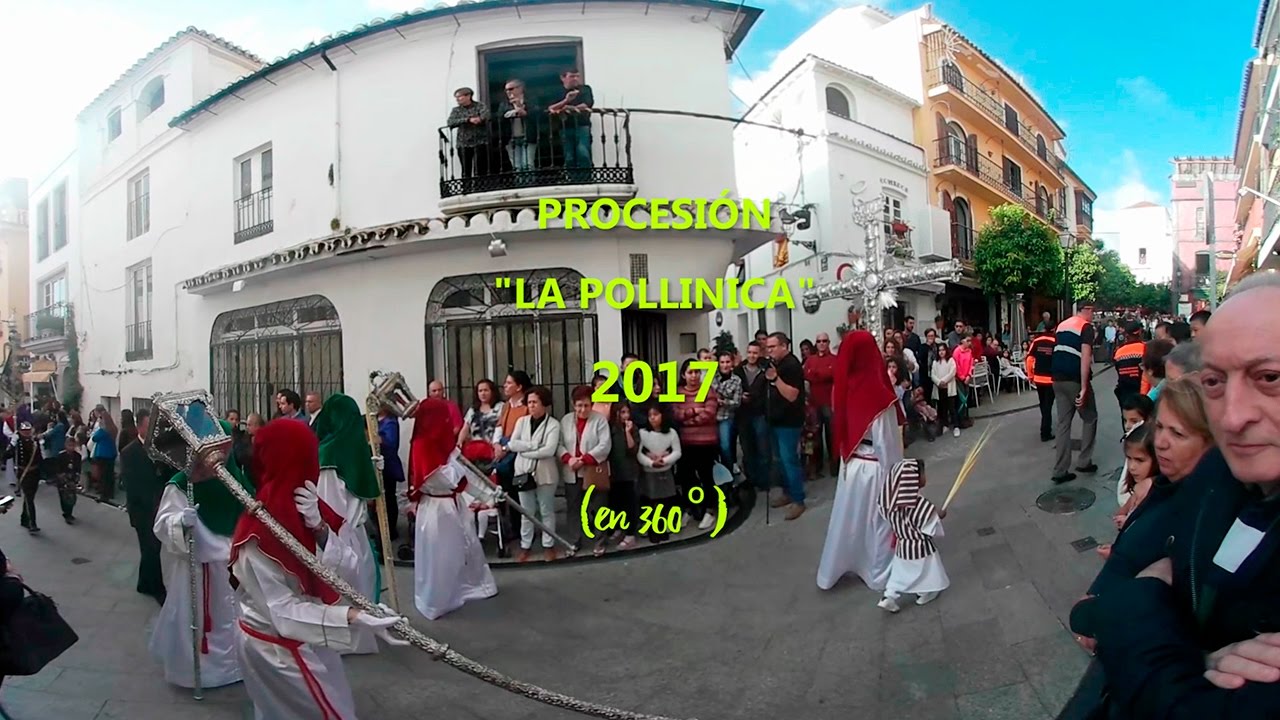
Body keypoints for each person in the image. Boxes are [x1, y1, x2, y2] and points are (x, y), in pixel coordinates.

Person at [230, 419, 406, 720]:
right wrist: (352, 617)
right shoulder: (257, 532)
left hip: (312, 636)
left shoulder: (309, 505)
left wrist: (321, 530)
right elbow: (281, 612)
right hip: (277, 648)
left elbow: (346, 569)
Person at [149, 420, 254, 689]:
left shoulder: (235, 480)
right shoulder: (182, 484)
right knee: (202, 623)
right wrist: (180, 523)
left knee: (237, 619)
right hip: (199, 567)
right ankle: (206, 673)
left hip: (236, 567)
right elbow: (163, 523)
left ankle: (239, 666)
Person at [817, 330, 904, 592]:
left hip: (851, 466)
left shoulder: (843, 387)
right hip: (876, 468)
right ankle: (878, 574)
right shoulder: (878, 394)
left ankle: (839, 566)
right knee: (879, 522)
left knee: (849, 520)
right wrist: (897, 478)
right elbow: (887, 443)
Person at [406, 398, 497, 620]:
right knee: (442, 555)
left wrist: (489, 494)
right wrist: (458, 468)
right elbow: (443, 478)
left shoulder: (442, 441)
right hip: (437, 509)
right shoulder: (422, 445)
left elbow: (463, 475)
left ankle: (469, 587)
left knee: (465, 547)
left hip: (452, 505)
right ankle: (438, 599)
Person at [310, 394, 383, 654]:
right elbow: (330, 503)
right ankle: (346, 639)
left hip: (353, 530)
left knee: (361, 582)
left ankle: (359, 633)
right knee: (347, 586)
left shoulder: (348, 448)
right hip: (339, 534)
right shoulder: (330, 453)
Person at [877, 458, 949, 612]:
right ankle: (924, 593)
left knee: (899, 573)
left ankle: (889, 596)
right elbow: (929, 524)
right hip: (920, 547)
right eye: (922, 474)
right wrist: (939, 516)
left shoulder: (889, 503)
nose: (924, 477)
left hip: (902, 546)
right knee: (928, 569)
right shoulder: (919, 505)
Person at [502, 386, 561, 563]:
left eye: (535, 402)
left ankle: (548, 545)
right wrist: (533, 446)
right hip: (523, 472)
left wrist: (525, 450)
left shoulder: (553, 425)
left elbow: (549, 450)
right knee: (526, 512)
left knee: (546, 510)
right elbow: (513, 444)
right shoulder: (522, 422)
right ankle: (525, 545)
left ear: (544, 404)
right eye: (529, 402)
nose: (532, 406)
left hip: (545, 474)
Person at [558, 385, 612, 551]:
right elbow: (559, 444)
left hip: (593, 470)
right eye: (579, 405)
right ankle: (574, 540)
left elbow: (604, 445)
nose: (583, 409)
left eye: (586, 405)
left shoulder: (600, 420)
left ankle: (600, 541)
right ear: (573, 405)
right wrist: (568, 459)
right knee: (574, 507)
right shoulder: (566, 420)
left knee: (598, 507)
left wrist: (584, 459)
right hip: (572, 471)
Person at [121, 417, 168, 605]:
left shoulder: (158, 449)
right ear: (139, 427)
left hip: (159, 506)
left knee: (151, 548)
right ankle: (158, 589)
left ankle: (144, 583)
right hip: (142, 510)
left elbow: (164, 474)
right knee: (151, 549)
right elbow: (132, 484)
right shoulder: (129, 452)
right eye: (149, 427)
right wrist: (150, 504)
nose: (152, 431)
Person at [1051, 300, 1098, 484]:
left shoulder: (1062, 325)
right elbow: (1085, 357)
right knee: (1090, 417)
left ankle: (1060, 470)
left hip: (1057, 379)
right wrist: (1084, 387)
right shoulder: (1085, 327)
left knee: (1063, 423)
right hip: (1074, 379)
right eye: (1092, 311)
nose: (1093, 315)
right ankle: (1084, 461)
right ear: (1085, 310)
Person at [764, 332, 807, 520]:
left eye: (773, 347)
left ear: (784, 346)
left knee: (789, 460)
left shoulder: (791, 365)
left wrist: (775, 379)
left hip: (789, 422)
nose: (769, 350)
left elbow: (792, 395)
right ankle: (788, 493)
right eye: (768, 347)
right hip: (775, 419)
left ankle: (798, 500)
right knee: (780, 460)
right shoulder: (777, 364)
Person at [637, 404, 681, 544]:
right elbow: (639, 453)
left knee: (666, 500)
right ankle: (652, 530)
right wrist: (651, 463)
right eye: (650, 415)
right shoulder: (643, 433)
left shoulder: (671, 433)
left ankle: (664, 528)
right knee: (651, 502)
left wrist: (665, 461)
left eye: (656, 415)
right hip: (649, 472)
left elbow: (677, 452)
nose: (653, 418)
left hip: (665, 470)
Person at [8, 423, 41, 533]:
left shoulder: (35, 442)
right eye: (24, 431)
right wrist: (12, 444)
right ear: (20, 431)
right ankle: (32, 523)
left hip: (34, 473)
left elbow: (40, 458)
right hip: (24, 473)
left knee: (29, 497)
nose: (26, 432)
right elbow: (7, 455)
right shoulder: (17, 443)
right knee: (29, 498)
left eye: (28, 430)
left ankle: (24, 519)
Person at [1026, 329, 1056, 442]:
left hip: (1038, 378)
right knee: (1048, 405)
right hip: (1050, 379)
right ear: (1053, 329)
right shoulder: (1055, 341)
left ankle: (1045, 425)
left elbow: (1029, 359)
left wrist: (1030, 376)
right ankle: (1045, 431)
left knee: (1043, 403)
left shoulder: (1036, 341)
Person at [1112, 321, 1146, 411]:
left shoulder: (1118, 352)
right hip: (1142, 391)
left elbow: (1118, 369)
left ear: (1126, 334)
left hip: (1124, 392)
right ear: (1139, 332)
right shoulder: (1145, 348)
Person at [49, 436, 82, 523]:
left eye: (73, 445)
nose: (71, 447)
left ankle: (69, 512)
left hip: (72, 479)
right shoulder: (61, 455)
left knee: (72, 497)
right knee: (64, 497)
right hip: (62, 479)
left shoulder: (77, 456)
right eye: (69, 445)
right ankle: (66, 513)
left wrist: (77, 476)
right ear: (65, 445)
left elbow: (78, 468)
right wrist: (61, 475)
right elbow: (57, 467)